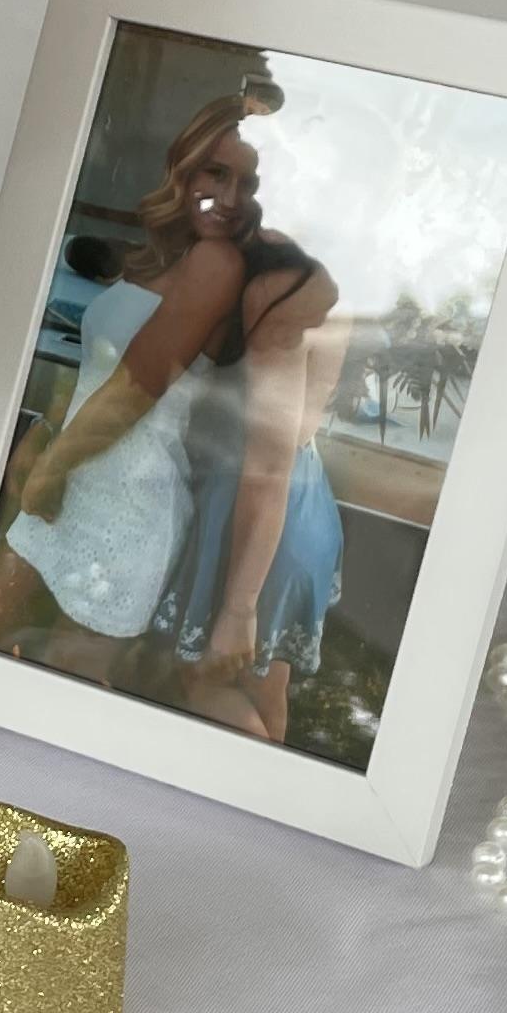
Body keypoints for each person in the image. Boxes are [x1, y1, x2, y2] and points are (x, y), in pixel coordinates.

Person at [0, 98, 256, 676]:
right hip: (68, 476)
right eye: (216, 173)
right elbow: (97, 363)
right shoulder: (156, 258)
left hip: (129, 513)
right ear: (184, 167)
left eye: (247, 184)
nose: (229, 197)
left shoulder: (218, 263)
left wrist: (50, 467)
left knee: (56, 687)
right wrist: (46, 433)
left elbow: (136, 386)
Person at [148, 169, 349, 744]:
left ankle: (249, 791)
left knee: (200, 680)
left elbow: (266, 467)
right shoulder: (324, 283)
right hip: (303, 501)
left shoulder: (277, 293)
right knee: (265, 690)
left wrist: (238, 608)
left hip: (258, 515)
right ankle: (274, 794)